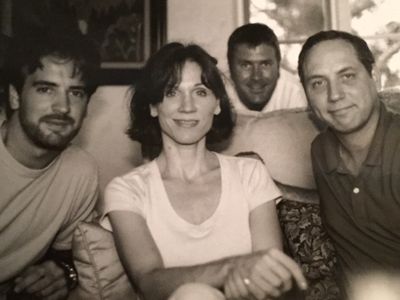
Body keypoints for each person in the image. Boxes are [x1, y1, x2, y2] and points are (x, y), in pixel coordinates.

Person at [100, 42, 307, 300]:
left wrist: (247, 280)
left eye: (200, 92)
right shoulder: (127, 190)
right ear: (153, 106)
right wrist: (229, 270)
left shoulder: (250, 173)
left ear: (217, 104)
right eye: (172, 92)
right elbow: (149, 281)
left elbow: (267, 273)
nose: (187, 107)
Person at [298, 30, 400, 294]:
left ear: (374, 76)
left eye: (347, 76)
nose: (334, 95)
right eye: (318, 83)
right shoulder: (321, 151)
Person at [0, 31, 100, 299]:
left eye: (76, 93)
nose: (63, 107)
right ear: (14, 97)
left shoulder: (81, 171)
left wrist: (63, 271)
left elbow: (68, 257)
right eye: (46, 89)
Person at [226, 23, 307, 116]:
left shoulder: (294, 92)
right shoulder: (217, 93)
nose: (256, 77)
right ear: (230, 67)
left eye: (265, 64)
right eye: (246, 65)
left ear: (278, 66)